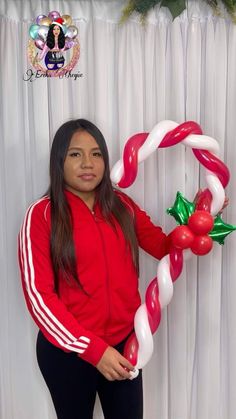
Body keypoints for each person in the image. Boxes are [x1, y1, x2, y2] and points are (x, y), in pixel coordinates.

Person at [18, 119, 172, 419]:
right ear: (59, 161)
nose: (88, 163)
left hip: (125, 348)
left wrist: (200, 221)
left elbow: (164, 247)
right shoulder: (41, 215)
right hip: (68, 353)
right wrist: (94, 351)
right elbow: (39, 297)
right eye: (75, 154)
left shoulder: (123, 205)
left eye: (96, 153)